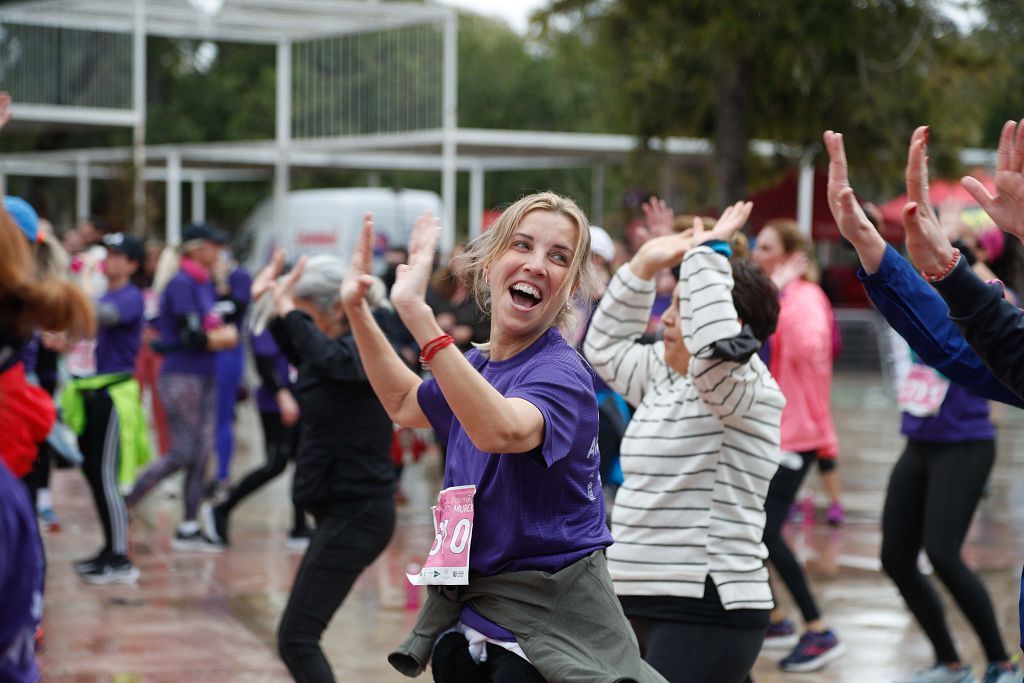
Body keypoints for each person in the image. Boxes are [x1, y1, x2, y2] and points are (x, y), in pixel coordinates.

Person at [342, 194, 664, 683]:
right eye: (523, 245)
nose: (537, 265)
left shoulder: (561, 371)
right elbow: (405, 404)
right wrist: (359, 311)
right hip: (481, 613)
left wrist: (419, 316)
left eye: (558, 257)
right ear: (490, 262)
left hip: (551, 628)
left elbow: (499, 429)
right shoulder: (478, 366)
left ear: (571, 287)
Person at [823, 126, 1023, 683]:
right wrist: (871, 246)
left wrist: (953, 271)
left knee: (944, 553)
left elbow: (974, 343)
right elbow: (947, 343)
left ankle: (999, 660)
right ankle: (951, 660)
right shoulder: (955, 282)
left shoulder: (987, 289)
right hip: (923, 436)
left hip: (965, 439)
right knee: (896, 556)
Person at [585, 202, 786, 682]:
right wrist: (643, 266)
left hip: (707, 606)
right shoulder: (660, 374)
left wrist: (707, 254)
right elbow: (604, 347)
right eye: (672, 301)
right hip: (634, 599)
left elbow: (717, 356)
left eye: (685, 305)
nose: (668, 317)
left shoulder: (745, 387)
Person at [236, 252, 396, 683]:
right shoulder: (326, 349)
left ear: (332, 309)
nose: (299, 327)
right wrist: (266, 299)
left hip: (361, 513)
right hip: (338, 509)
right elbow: (287, 341)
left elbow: (326, 358)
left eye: (304, 315)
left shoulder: (368, 345)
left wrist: (289, 309)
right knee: (299, 637)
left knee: (296, 638)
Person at [125, 224, 237, 552]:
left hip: (204, 372)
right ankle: (126, 500)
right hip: (181, 374)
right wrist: (224, 338)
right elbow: (193, 337)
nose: (218, 252)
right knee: (183, 451)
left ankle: (188, 526)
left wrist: (218, 336)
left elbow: (207, 328)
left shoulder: (204, 282)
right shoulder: (183, 283)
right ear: (196, 249)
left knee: (202, 453)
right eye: (213, 246)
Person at [60, 233, 150, 585]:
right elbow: (82, 324)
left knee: (108, 478)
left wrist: (82, 283)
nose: (108, 261)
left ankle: (120, 558)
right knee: (95, 475)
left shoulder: (130, 296)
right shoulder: (109, 294)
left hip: (115, 395)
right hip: (95, 391)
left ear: (132, 265)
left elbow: (102, 315)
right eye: (107, 254)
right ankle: (109, 549)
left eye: (117, 255)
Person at [204, 256, 309, 549]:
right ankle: (221, 509)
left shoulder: (293, 319)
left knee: (303, 462)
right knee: (275, 463)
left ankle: (300, 527)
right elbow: (265, 367)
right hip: (276, 404)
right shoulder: (264, 322)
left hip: (299, 400)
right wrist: (283, 397)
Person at [212, 254, 252, 492]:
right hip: (204, 355)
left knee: (222, 416)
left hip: (227, 353)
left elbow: (237, 307)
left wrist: (221, 286)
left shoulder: (239, 277)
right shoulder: (196, 280)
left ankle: (222, 474)